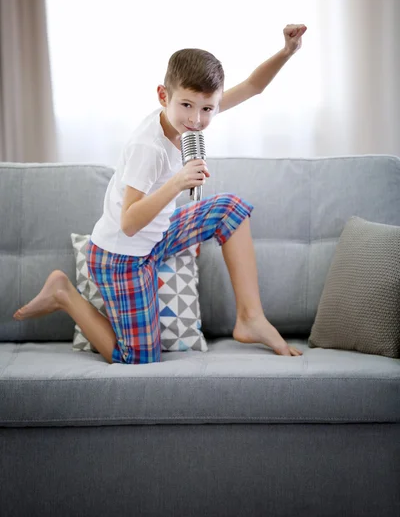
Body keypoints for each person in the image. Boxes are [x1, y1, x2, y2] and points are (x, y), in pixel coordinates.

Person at [14, 24, 308, 364]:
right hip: (121, 257)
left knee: (231, 209)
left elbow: (254, 86)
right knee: (139, 357)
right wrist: (177, 183)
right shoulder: (147, 148)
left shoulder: (191, 111)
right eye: (187, 106)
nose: (196, 119)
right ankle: (63, 293)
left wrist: (287, 52)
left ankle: (250, 318)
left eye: (208, 109)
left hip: (158, 236)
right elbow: (127, 223)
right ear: (163, 96)